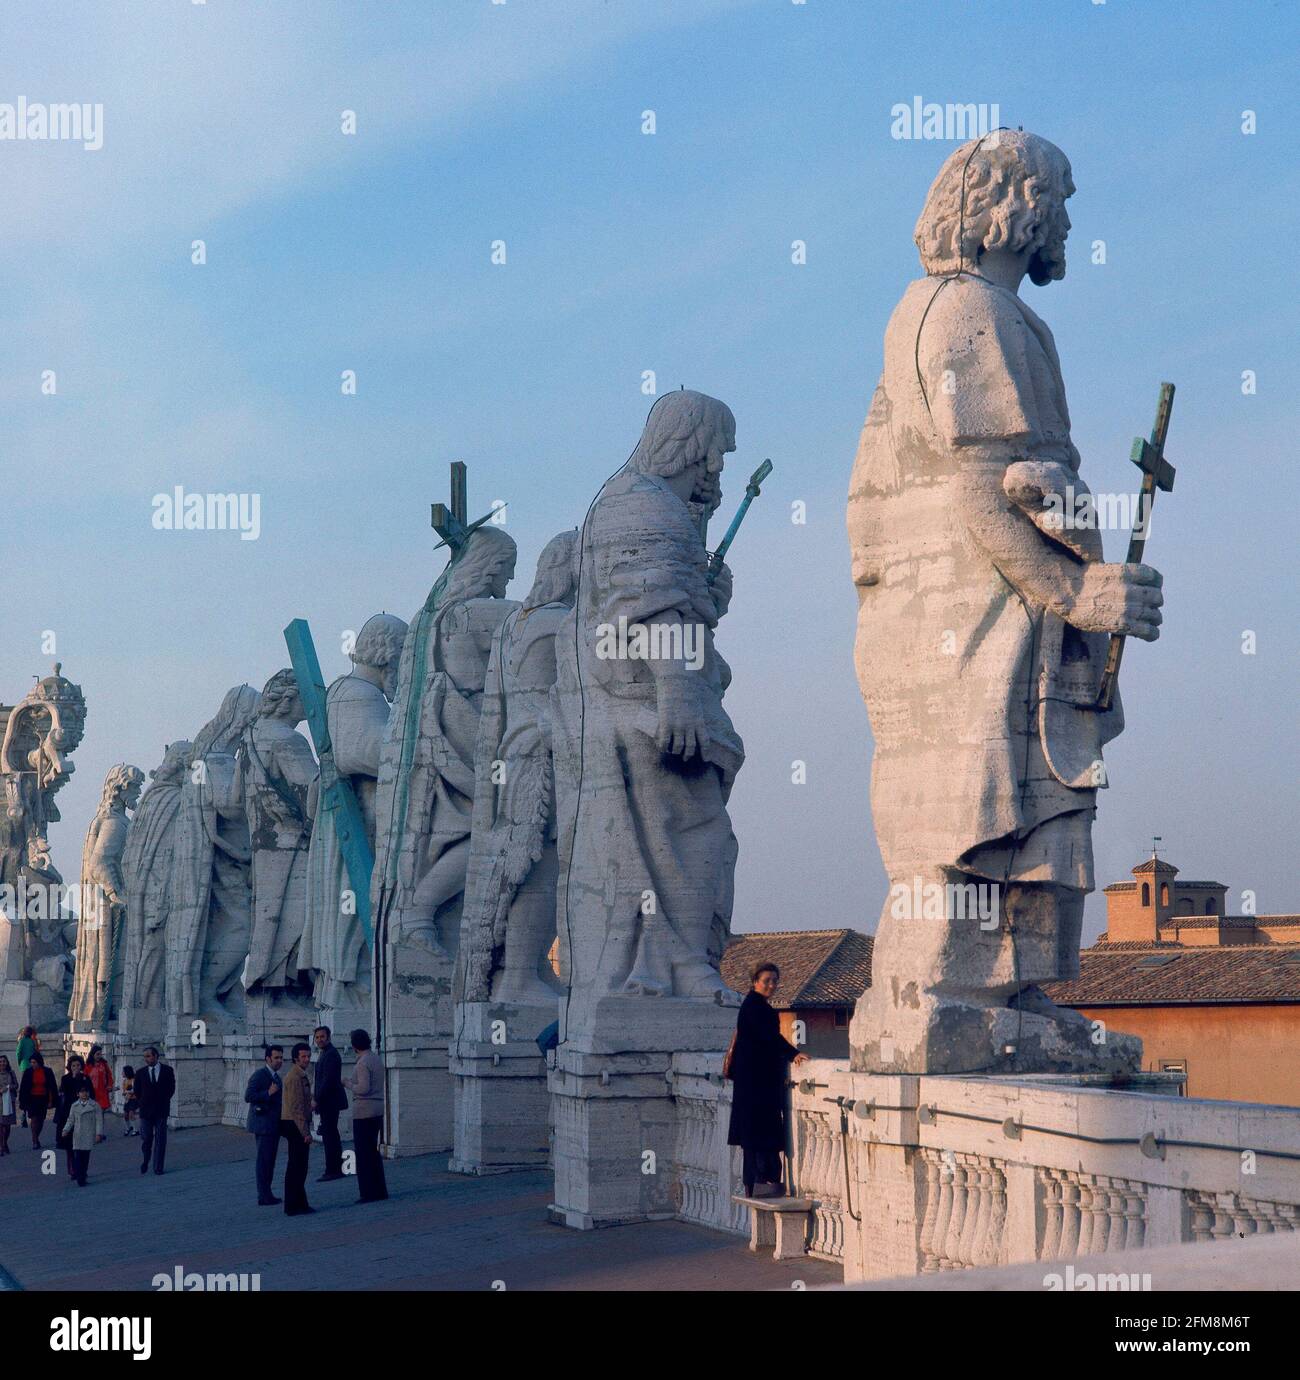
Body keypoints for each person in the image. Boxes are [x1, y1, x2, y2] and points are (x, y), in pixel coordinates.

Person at [727, 963, 808, 1198]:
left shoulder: (753, 1005)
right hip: (756, 1086)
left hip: (752, 1084)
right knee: (761, 1138)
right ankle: (763, 1184)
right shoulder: (756, 1007)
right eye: (766, 980)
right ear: (755, 982)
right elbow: (771, 1039)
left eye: (774, 980)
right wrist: (794, 1054)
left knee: (754, 1140)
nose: (771, 985)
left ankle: (755, 1186)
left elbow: (769, 1039)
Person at [345, 1029, 386, 1204]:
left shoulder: (362, 1063)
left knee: (363, 1154)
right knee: (373, 1152)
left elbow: (363, 1088)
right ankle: (379, 1189)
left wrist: (347, 1083)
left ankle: (368, 1192)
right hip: (377, 1108)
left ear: (354, 1045)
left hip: (364, 1111)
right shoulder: (376, 1058)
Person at [244, 1045, 284, 1206]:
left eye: (281, 1058)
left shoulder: (275, 1076)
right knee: (264, 1161)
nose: (279, 1061)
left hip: (272, 1125)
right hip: (263, 1125)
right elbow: (248, 1096)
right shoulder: (260, 1075)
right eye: (276, 1058)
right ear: (267, 1059)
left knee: (269, 1161)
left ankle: (267, 1193)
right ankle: (264, 1195)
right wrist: (268, 1093)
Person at [280, 1043, 314, 1216]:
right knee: (297, 1166)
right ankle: (293, 1205)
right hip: (294, 1125)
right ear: (296, 1058)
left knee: (299, 1166)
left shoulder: (299, 1075)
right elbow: (296, 1108)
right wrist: (306, 1133)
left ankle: (299, 1203)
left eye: (308, 1056)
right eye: (303, 1057)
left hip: (295, 1123)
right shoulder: (294, 1077)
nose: (307, 1059)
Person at [312, 1026, 347, 1182]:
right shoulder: (326, 1054)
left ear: (329, 1037)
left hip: (329, 1101)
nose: (320, 1039)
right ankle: (335, 1167)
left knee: (330, 1135)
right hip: (327, 1101)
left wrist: (316, 1099)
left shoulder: (331, 1055)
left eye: (322, 1036)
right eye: (317, 1037)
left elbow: (327, 1081)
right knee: (330, 1134)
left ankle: (332, 1169)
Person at [135, 1046, 175, 1174]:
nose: (146, 1059)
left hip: (161, 1110)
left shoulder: (167, 1070)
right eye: (145, 1057)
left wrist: (163, 1100)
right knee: (146, 1138)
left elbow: (171, 1088)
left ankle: (158, 1167)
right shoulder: (140, 1073)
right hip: (145, 1111)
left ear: (156, 1056)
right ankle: (146, 1160)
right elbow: (137, 1091)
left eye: (149, 1056)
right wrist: (142, 1102)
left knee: (160, 1139)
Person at [55, 1055, 94, 1178]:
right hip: (69, 1114)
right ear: (70, 1067)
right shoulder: (66, 1079)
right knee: (70, 1144)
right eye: (73, 1066)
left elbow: (91, 1094)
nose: (76, 1068)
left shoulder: (85, 1078)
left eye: (78, 1065)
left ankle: (83, 1169)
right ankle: (72, 1168)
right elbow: (65, 1094)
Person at [66, 1083, 103, 1186]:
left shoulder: (95, 1105)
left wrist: (99, 1133)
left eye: (86, 1091)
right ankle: (80, 1177)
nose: (84, 1094)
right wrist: (66, 1130)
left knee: (85, 1156)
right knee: (78, 1156)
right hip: (77, 1134)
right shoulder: (74, 1106)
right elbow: (70, 1120)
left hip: (88, 1133)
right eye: (82, 1092)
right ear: (78, 1094)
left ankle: (83, 1174)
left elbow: (99, 1121)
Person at [18, 1052, 56, 1149]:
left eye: (34, 1062)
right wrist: (23, 1102)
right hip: (32, 1098)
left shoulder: (47, 1071)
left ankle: (37, 1136)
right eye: (31, 1062)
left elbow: (51, 1087)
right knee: (34, 1119)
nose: (32, 1064)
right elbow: (23, 1088)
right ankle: (34, 1140)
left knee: (41, 1119)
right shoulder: (28, 1072)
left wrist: (51, 1101)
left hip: (43, 1098)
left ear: (39, 1062)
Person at [84, 1045, 114, 1141]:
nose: (99, 1056)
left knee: (100, 1114)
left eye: (100, 1054)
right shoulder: (87, 1066)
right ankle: (94, 1132)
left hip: (102, 1092)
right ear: (92, 1054)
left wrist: (109, 1085)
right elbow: (84, 1079)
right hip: (92, 1093)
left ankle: (99, 1133)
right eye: (97, 1054)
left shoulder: (104, 1064)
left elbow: (109, 1075)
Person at [15, 1028, 37, 1128]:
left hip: (24, 1066)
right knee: (31, 1088)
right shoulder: (32, 1042)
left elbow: (18, 1053)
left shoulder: (22, 1041)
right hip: (32, 1067)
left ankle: (23, 1112)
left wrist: (20, 1062)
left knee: (24, 1089)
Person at [0, 1054, 18, 1155]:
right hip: (0, 1102)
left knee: (7, 1126)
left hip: (9, 1102)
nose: (2, 1063)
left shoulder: (11, 1073)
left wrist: (9, 1087)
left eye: (4, 1061)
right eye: (0, 1061)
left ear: (7, 1063)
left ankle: (5, 1142)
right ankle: (1, 1146)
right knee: (1, 1125)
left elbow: (16, 1085)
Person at [121, 1065, 137, 1136]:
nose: (122, 1073)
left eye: (123, 1072)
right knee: (125, 1115)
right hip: (127, 1100)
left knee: (131, 1114)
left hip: (134, 1100)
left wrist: (127, 1092)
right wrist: (125, 1093)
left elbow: (135, 1090)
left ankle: (135, 1130)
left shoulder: (133, 1080)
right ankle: (128, 1128)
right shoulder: (124, 1081)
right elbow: (124, 1091)